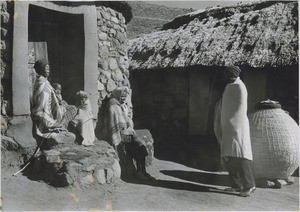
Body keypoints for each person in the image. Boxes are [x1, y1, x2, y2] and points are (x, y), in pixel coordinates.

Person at [214, 65, 256, 197]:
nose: (224, 76)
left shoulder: (239, 86)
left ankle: (250, 185)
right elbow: (227, 106)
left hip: (237, 127)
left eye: (226, 74)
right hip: (228, 126)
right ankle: (236, 185)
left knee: (240, 155)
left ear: (232, 74)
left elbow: (240, 109)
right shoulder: (229, 86)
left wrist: (234, 126)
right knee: (229, 156)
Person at [99, 86, 153, 181]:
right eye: (122, 96)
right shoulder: (113, 105)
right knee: (137, 148)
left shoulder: (119, 104)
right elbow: (114, 123)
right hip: (121, 135)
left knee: (142, 147)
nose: (124, 98)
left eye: (125, 96)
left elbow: (124, 119)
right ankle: (139, 172)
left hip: (126, 132)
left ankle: (143, 171)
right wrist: (124, 129)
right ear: (118, 95)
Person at [31, 59, 77, 142]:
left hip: (46, 111)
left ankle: (60, 125)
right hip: (47, 114)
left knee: (65, 105)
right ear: (41, 69)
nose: (49, 70)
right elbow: (43, 102)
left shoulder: (41, 81)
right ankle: (58, 125)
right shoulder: (42, 83)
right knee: (73, 109)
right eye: (46, 68)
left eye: (49, 69)